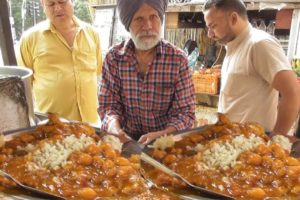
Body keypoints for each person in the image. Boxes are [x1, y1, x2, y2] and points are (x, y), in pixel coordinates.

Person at [98, 0, 195, 144]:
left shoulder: (178, 60)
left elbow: (185, 114)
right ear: (127, 24)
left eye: (153, 17)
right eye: (139, 19)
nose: (148, 26)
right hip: (125, 141)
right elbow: (108, 106)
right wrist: (114, 128)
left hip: (165, 143)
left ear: (160, 19)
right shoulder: (113, 58)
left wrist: (162, 135)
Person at [203, 0, 300, 138]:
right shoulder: (234, 46)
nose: (210, 34)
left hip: (253, 143)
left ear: (233, 18)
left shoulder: (259, 44)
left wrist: (277, 137)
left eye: (213, 26)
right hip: (231, 140)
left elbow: (293, 92)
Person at [17, 0, 102, 124]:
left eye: (62, 2)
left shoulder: (92, 34)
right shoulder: (30, 39)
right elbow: (23, 87)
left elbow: (97, 71)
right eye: (51, 4)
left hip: (92, 124)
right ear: (43, 6)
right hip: (53, 127)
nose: (57, 8)